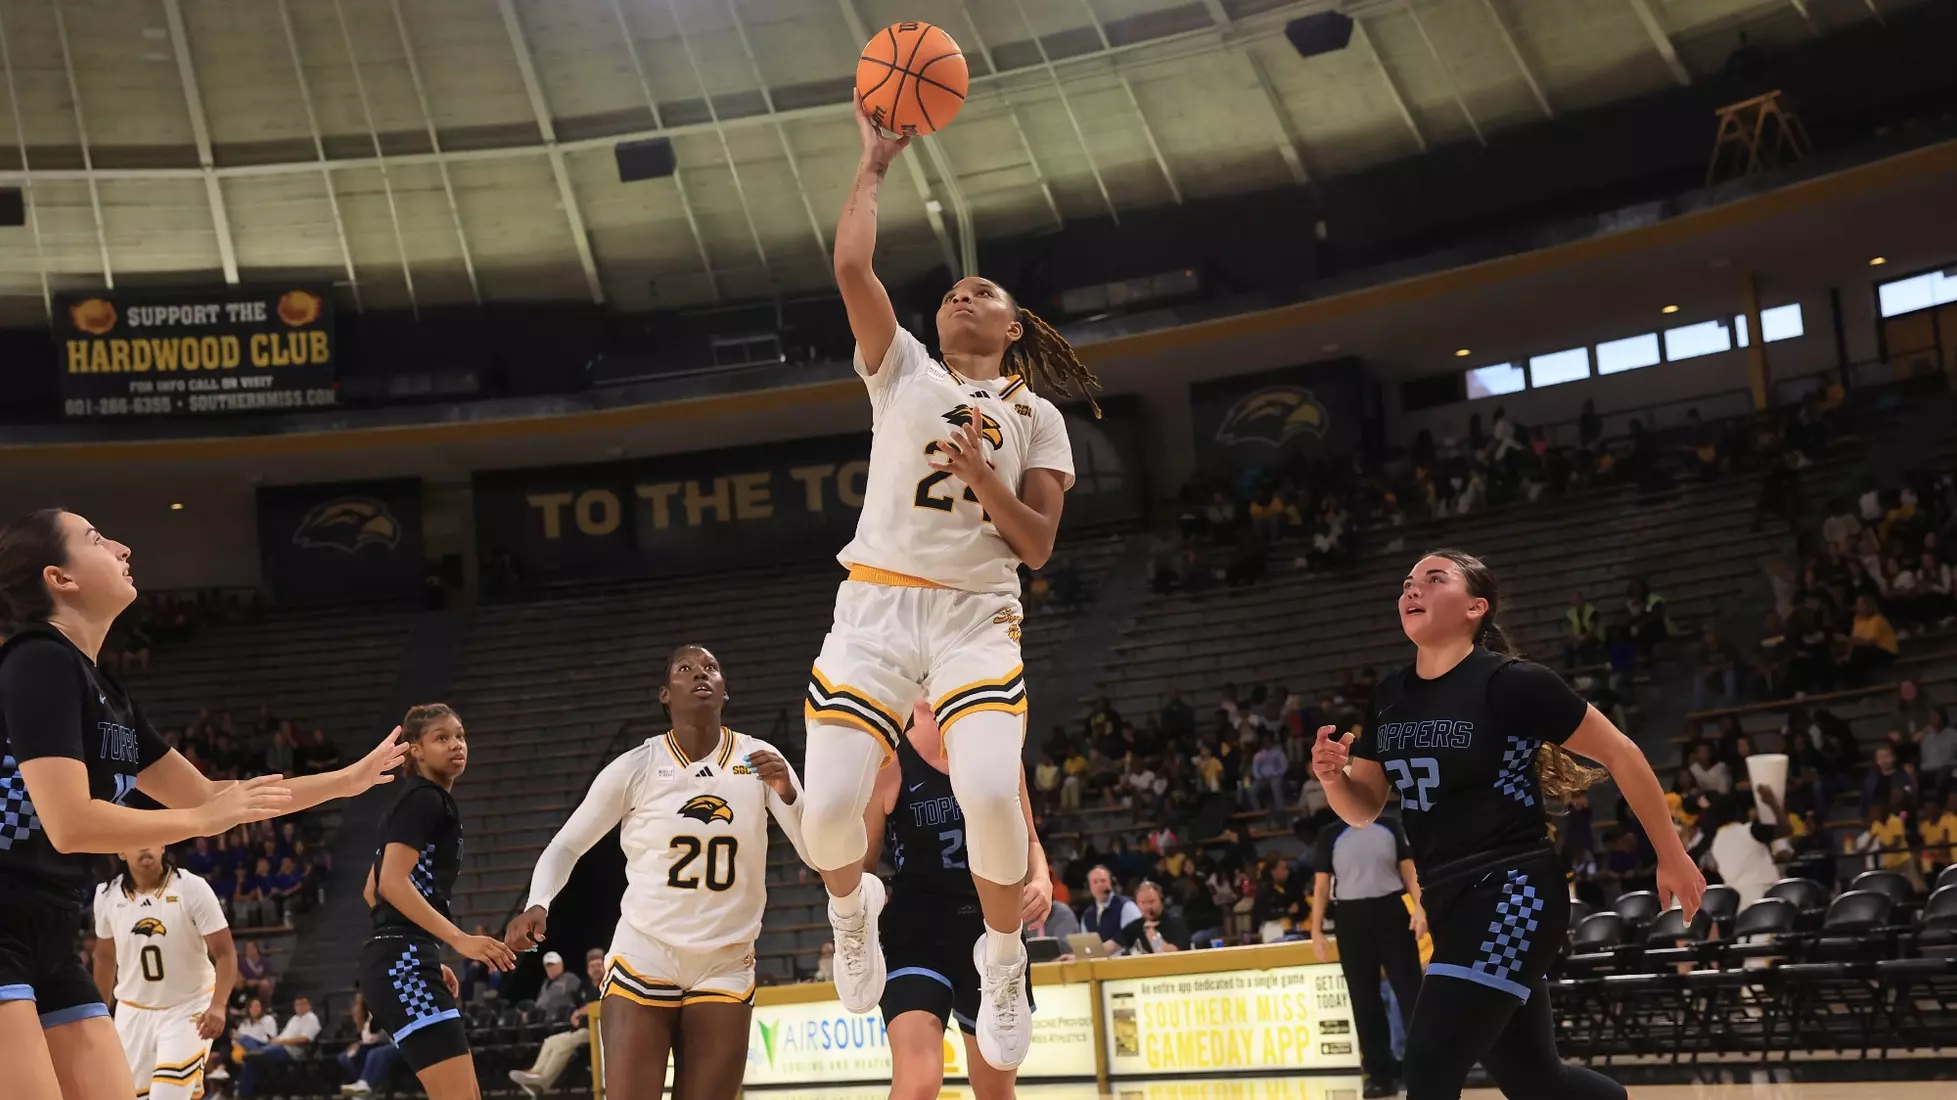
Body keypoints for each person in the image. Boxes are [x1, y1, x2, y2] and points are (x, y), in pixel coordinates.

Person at [801, 93, 1099, 1072]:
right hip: (877, 605)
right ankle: (853, 910)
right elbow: (850, 266)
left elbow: (1041, 544)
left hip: (976, 613)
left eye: (985, 292)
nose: (965, 295)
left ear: (1015, 328)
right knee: (829, 811)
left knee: (984, 786)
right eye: (955, 289)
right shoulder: (903, 373)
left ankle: (1002, 955)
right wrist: (874, 163)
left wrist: (983, 480)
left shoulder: (1035, 417)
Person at [0, 508, 406, 1100]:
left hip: (53, 929)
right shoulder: (35, 659)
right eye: (95, 539)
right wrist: (201, 820)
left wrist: (345, 781)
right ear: (59, 578)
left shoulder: (105, 691)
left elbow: (216, 797)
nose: (121, 546)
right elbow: (69, 824)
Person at [1311, 549, 1704, 1100]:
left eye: (1433, 578)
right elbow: (1366, 808)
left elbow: (1621, 753)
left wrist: (1672, 853)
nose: (1412, 589)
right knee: (1537, 1081)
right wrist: (1334, 779)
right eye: (1407, 582)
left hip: (1513, 892)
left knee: (1427, 1063)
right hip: (1448, 898)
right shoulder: (1388, 696)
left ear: (1477, 606)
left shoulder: (1512, 683)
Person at [507, 644, 811, 1100]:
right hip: (645, 953)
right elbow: (567, 844)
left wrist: (789, 793)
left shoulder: (757, 758)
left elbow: (812, 852)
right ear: (665, 693)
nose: (700, 674)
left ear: (725, 690)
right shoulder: (638, 765)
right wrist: (538, 901)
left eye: (711, 667)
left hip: (724, 961)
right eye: (685, 669)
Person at [865, 701, 1053, 1100]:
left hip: (991, 931)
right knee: (918, 1081)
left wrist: (1042, 879)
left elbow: (1031, 840)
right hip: (915, 932)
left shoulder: (1000, 756)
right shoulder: (889, 764)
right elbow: (861, 867)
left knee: (995, 1089)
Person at [357, 704, 516, 1100]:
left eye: (459, 735)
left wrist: (424, 949)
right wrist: (459, 940)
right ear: (416, 750)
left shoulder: (417, 801)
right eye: (441, 738)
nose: (456, 745)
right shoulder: (425, 800)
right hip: (402, 965)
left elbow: (370, 889)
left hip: (405, 957)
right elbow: (391, 884)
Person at [90, 846, 236, 1100]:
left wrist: (219, 1005)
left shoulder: (191, 888)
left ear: (162, 846)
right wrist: (98, 1013)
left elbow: (225, 953)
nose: (145, 847)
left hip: (188, 1007)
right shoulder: (106, 895)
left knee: (166, 1095)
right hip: (132, 1011)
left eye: (152, 838)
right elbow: (104, 957)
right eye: (135, 841)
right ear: (121, 852)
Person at [1307, 815, 1425, 1098]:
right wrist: (1316, 930)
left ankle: (1426, 1069)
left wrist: (1421, 908)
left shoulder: (1390, 825)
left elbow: (1409, 871)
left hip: (1391, 911)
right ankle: (1379, 1073)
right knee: (1364, 999)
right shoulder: (1330, 833)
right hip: (1350, 917)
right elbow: (1322, 885)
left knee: (1412, 993)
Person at [508, 949, 604, 1099]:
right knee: (551, 1041)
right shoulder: (585, 986)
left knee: (563, 1043)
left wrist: (584, 1011)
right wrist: (576, 1014)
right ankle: (536, 1074)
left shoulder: (608, 984)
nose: (596, 969)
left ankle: (542, 1082)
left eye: (599, 965)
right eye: (592, 966)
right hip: (584, 1028)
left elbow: (606, 1005)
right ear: (587, 969)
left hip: (601, 1030)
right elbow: (578, 1007)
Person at [235, 994, 319, 1097]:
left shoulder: (311, 1018)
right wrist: (276, 1041)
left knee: (252, 1058)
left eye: (302, 1004)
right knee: (246, 1042)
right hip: (277, 1046)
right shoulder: (294, 1018)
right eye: (297, 1004)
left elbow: (305, 1039)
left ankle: (243, 1094)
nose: (299, 1007)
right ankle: (255, 1055)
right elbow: (283, 1036)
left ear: (309, 1005)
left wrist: (281, 1042)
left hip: (291, 1051)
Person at [337, 992, 400, 1097]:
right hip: (384, 1043)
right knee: (347, 1056)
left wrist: (373, 1039)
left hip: (401, 1045)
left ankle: (367, 1087)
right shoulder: (369, 1017)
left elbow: (383, 1035)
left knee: (376, 1053)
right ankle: (362, 1086)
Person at [1079, 865, 1141, 954]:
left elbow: (1133, 938)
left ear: (1111, 883)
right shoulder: (1087, 915)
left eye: (1103, 881)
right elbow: (1086, 947)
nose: (1100, 885)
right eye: (1095, 882)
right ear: (1089, 887)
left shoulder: (1126, 906)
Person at [1120, 881, 1191, 954]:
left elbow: (1170, 957)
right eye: (1143, 902)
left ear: (1161, 900)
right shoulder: (1134, 926)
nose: (1148, 907)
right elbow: (1113, 947)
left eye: (1151, 901)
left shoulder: (1175, 923)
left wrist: (1151, 934)